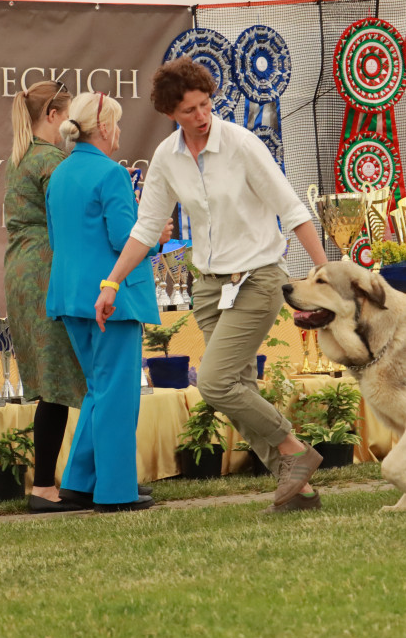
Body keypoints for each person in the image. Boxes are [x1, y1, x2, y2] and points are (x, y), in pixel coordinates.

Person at [96, 57, 330, 512]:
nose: (201, 116)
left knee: (217, 383)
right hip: (208, 288)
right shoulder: (166, 156)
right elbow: (146, 227)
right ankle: (297, 491)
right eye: (189, 110)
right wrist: (112, 282)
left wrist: (326, 277)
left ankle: (295, 452)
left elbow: (293, 209)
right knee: (240, 387)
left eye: (206, 104)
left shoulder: (242, 144)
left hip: (260, 278)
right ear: (170, 113)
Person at [46, 91, 173, 513]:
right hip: (112, 299)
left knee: (99, 391)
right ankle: (116, 491)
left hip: (69, 296)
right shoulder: (112, 175)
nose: (119, 132)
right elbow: (125, 239)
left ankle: (80, 483)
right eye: (116, 123)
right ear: (103, 128)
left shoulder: (60, 174)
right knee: (117, 394)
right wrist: (155, 234)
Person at [3, 80, 88, 513]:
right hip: (46, 270)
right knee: (58, 383)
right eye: (68, 115)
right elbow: (75, 214)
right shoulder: (52, 159)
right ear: (53, 115)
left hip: (20, 269)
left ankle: (60, 483)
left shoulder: (21, 158)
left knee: (50, 383)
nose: (72, 124)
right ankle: (45, 488)